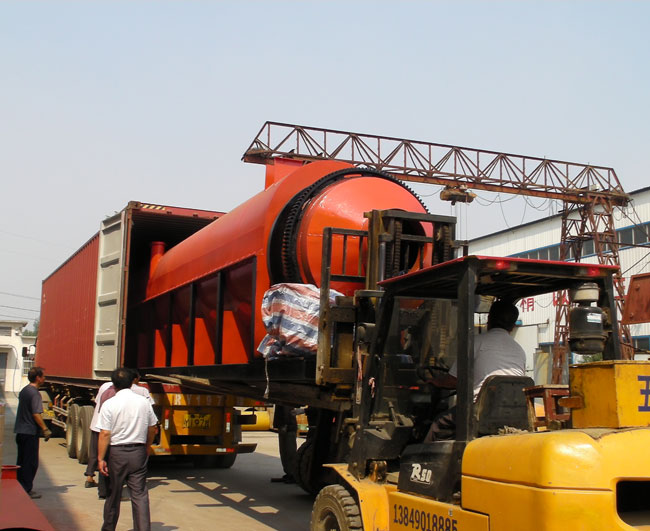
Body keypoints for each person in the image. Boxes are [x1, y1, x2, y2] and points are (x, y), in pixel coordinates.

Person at [425, 299, 526, 441]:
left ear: (489, 319)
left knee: (439, 424)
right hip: (511, 413)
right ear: (513, 326)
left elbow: (453, 381)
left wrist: (435, 381)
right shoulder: (519, 350)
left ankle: (427, 455)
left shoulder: (476, 342)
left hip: (480, 411)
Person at [97, 367, 158, 531]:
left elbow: (105, 433)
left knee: (114, 493)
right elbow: (152, 428)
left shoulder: (110, 404)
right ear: (132, 382)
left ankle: (108, 528)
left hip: (117, 453)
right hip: (138, 452)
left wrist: (101, 458)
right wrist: (147, 446)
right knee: (139, 494)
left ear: (114, 384)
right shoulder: (144, 402)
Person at [14, 366, 52, 498]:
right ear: (38, 378)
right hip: (30, 432)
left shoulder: (24, 390)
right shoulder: (35, 393)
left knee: (21, 461)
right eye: (43, 376)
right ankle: (26, 489)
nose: (44, 379)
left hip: (21, 431)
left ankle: (19, 486)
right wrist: (45, 429)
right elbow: (36, 414)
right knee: (30, 463)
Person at [85, 380, 115, 493]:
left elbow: (97, 401)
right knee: (105, 456)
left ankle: (89, 476)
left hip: (96, 424)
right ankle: (104, 487)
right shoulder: (120, 391)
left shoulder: (104, 386)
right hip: (106, 427)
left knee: (94, 452)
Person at [270, 405, 297, 484]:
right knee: (284, 452)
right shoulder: (280, 401)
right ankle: (288, 473)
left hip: (288, 428)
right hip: (283, 426)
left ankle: (292, 474)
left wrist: (286, 425)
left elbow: (287, 411)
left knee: (289, 451)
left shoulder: (286, 402)